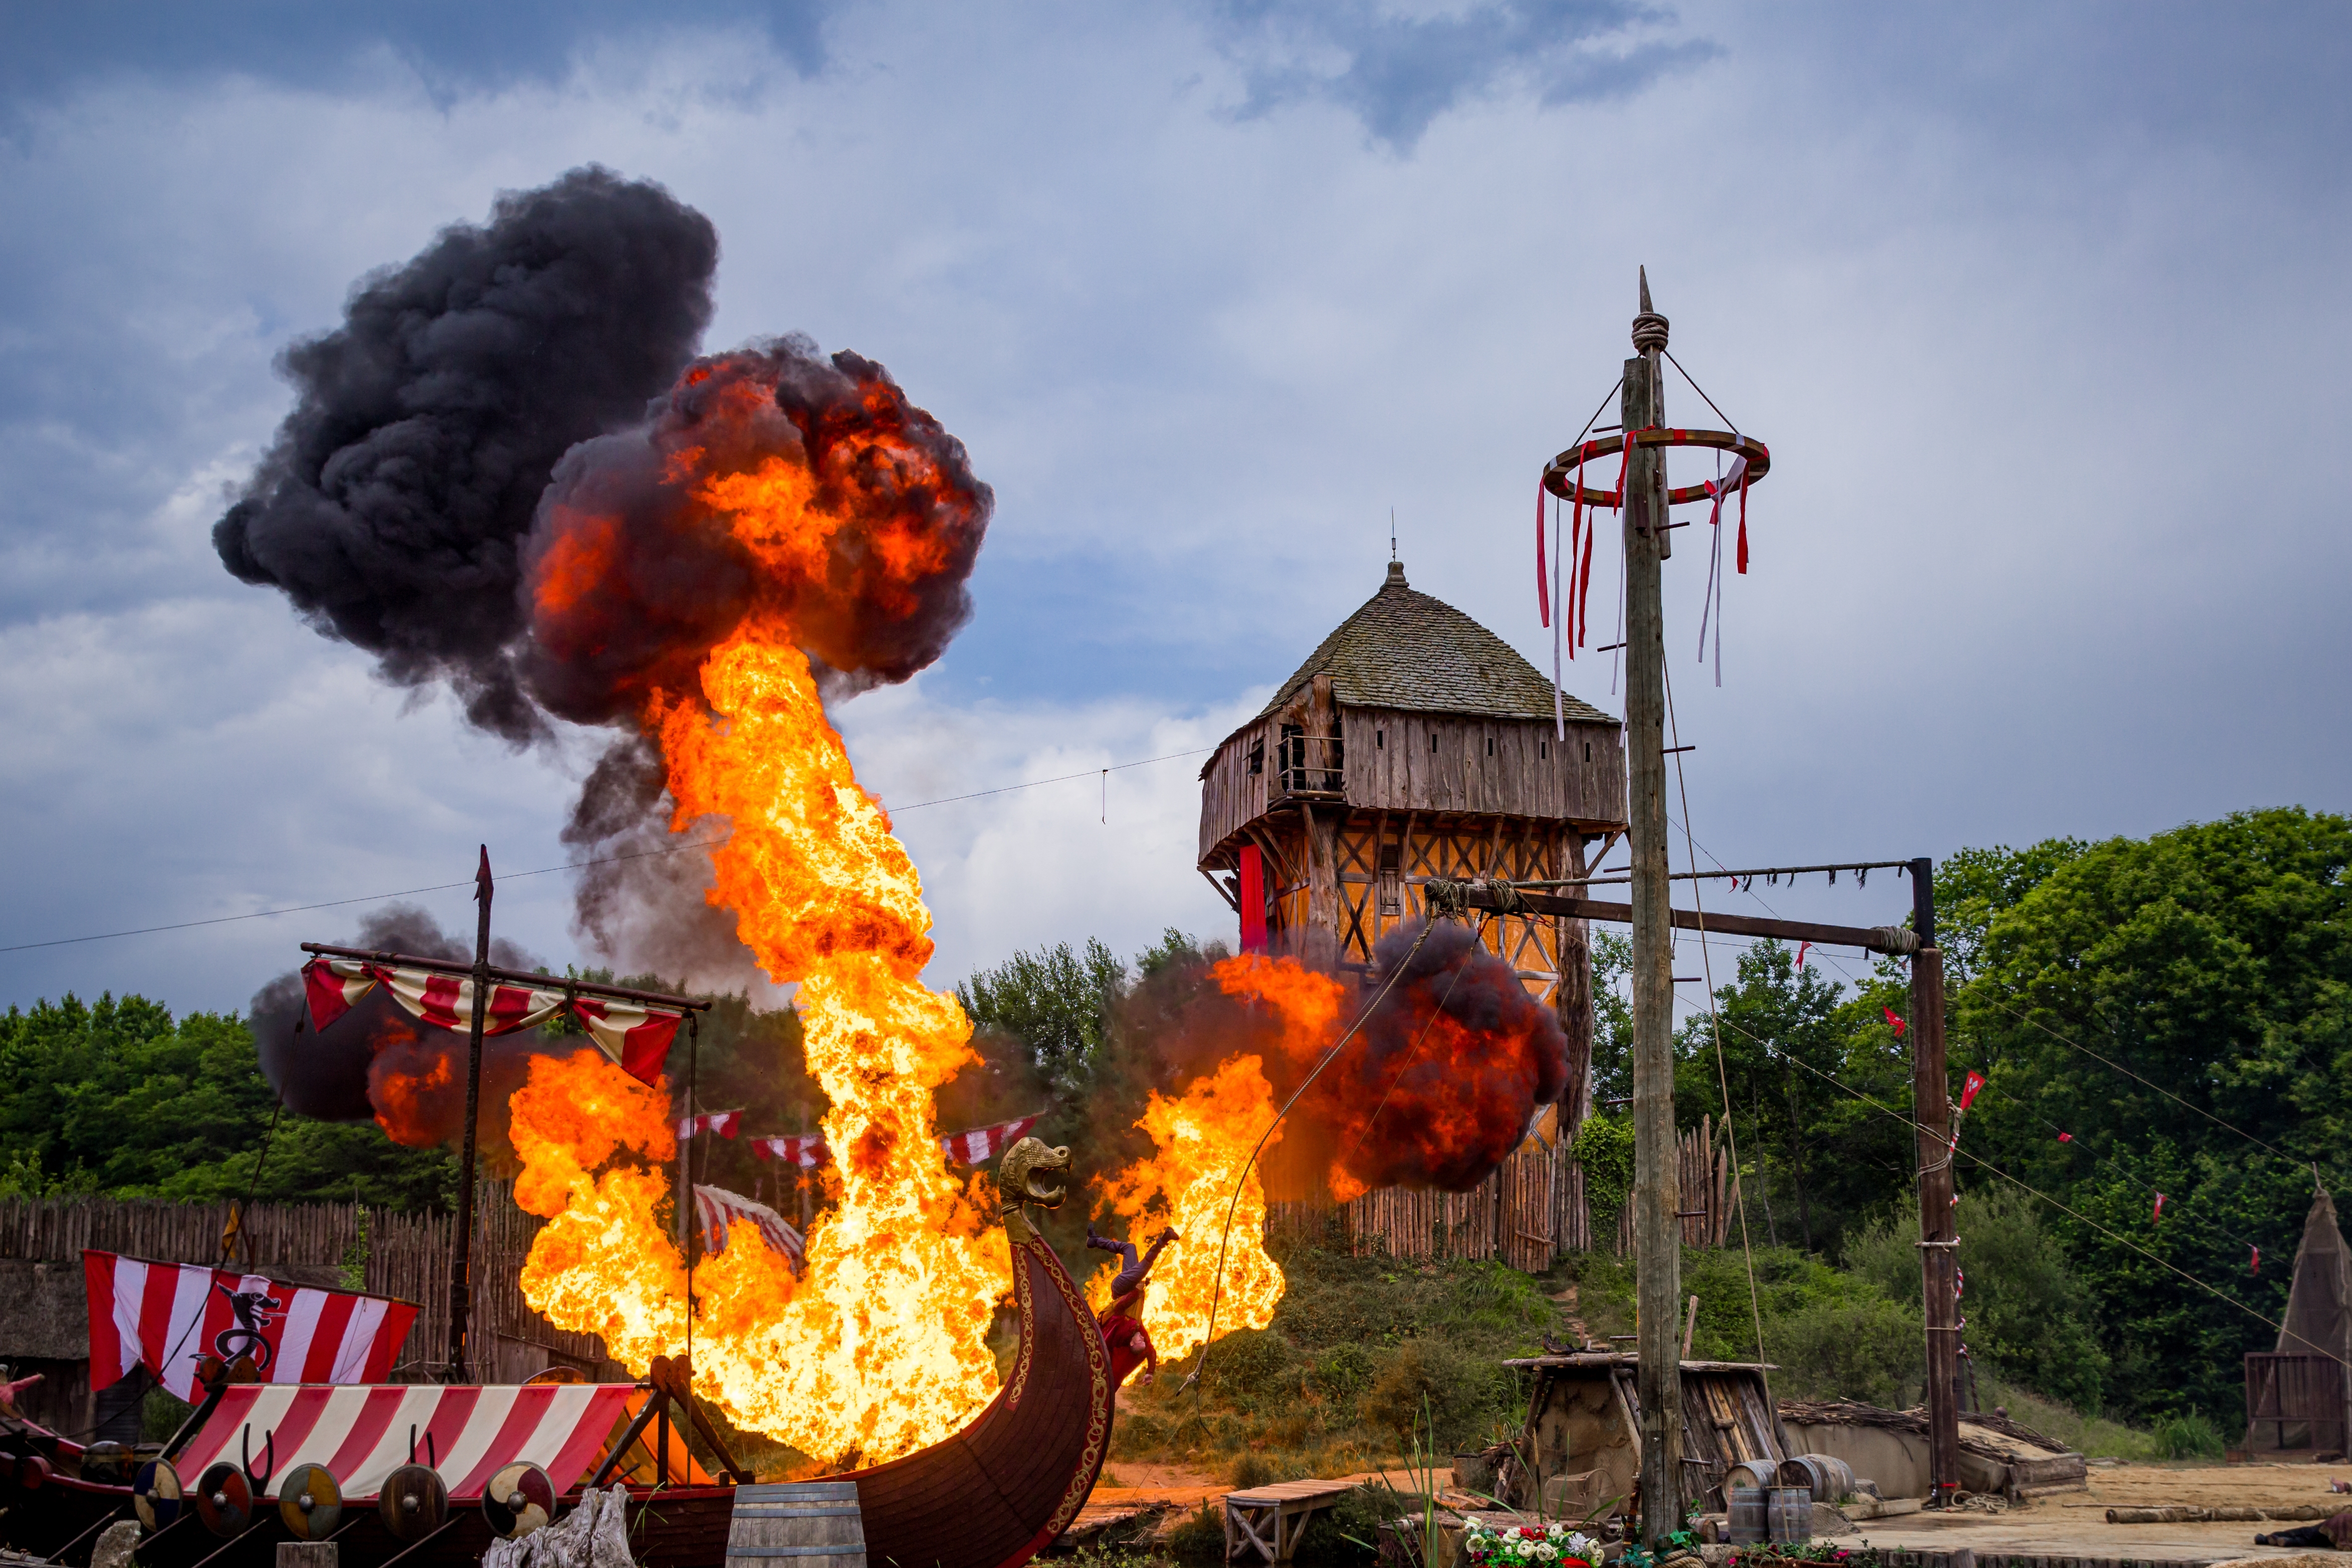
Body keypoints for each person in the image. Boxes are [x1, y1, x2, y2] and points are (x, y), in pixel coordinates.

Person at [1086, 1225, 1177, 1388]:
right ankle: (1094, 1241)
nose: (1142, 1337)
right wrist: (1150, 1372)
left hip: (1122, 1289)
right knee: (1129, 1248)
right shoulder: (1138, 1330)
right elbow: (1151, 1352)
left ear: (1132, 1344)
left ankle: (1164, 1240)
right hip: (1132, 1286)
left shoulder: (1122, 1329)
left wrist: (1138, 1291)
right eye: (1143, 1339)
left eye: (1139, 1341)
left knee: (1144, 1268)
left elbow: (1120, 1307)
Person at [2253, 1510, 2352, 1550]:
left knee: (2308, 1534)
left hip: (2337, 1525)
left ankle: (2267, 1539)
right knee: (2312, 1540)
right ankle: (2287, 1542)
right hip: (2340, 1527)